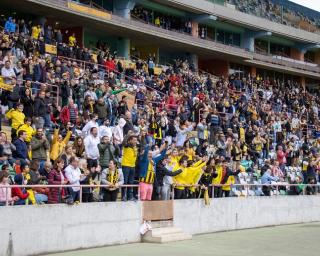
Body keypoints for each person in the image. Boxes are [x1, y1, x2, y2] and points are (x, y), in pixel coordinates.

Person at [121, 135, 138, 201]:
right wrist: (127, 135)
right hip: (126, 165)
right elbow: (123, 142)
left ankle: (129, 197)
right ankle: (123, 196)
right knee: (125, 181)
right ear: (130, 140)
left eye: (136, 140)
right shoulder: (126, 146)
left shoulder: (135, 147)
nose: (135, 141)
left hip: (132, 166)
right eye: (134, 140)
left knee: (131, 182)